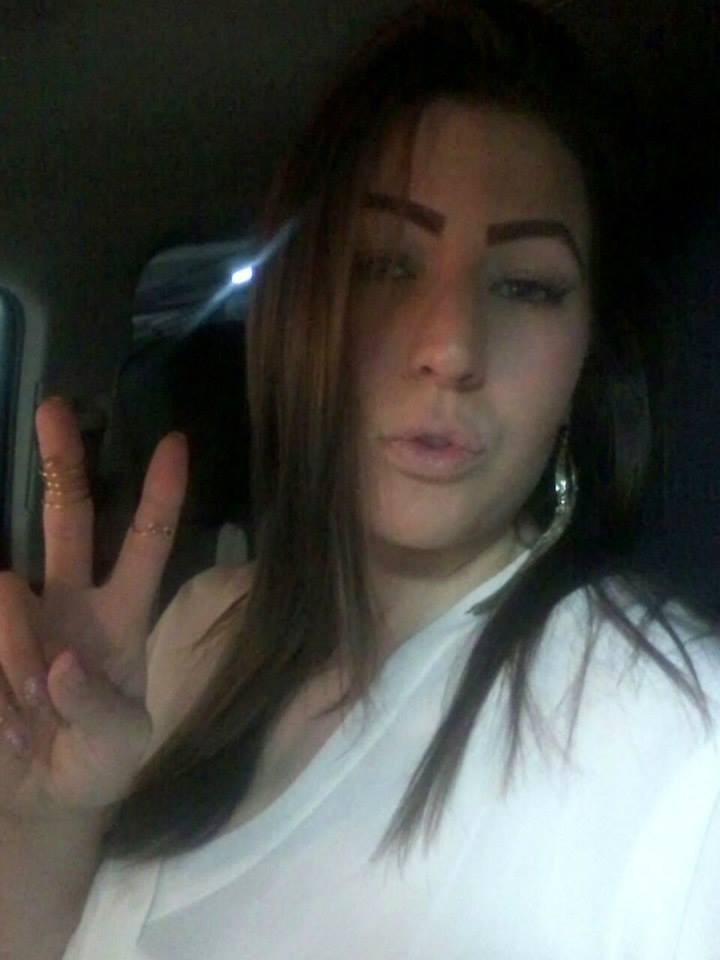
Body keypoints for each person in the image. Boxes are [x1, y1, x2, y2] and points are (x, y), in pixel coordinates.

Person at [1, 1, 718, 957]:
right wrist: (51, 817)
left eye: (528, 285)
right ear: (303, 312)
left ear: (588, 357)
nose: (451, 347)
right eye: (385, 265)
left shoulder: (680, 748)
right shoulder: (198, 629)